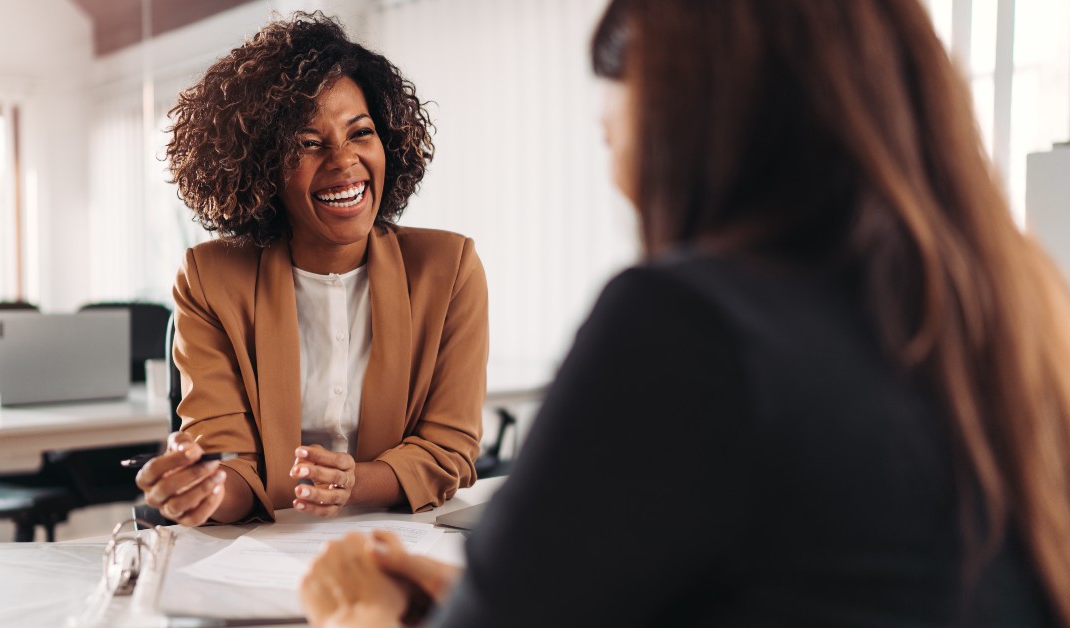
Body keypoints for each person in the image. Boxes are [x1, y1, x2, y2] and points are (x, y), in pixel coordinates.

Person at [300, 0, 1070, 625]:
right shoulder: (1020, 312)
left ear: (690, 132)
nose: (621, 182)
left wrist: (363, 613)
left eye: (615, 141)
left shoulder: (689, 327)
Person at [135, 12, 488, 527]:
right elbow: (231, 464)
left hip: (398, 537)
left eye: (360, 132)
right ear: (261, 166)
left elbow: (448, 449)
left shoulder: (449, 269)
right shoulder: (210, 278)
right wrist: (203, 489)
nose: (343, 161)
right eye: (307, 142)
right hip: (262, 549)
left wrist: (353, 483)